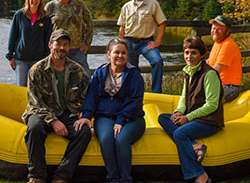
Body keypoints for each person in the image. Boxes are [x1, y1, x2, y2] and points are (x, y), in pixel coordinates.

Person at [22, 29, 91, 183]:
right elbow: (34, 102)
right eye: (58, 44)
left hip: (68, 114)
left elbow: (88, 96)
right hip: (41, 112)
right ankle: (36, 176)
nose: (61, 48)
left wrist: (85, 113)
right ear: (50, 45)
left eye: (65, 44)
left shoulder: (78, 71)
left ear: (69, 47)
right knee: (34, 128)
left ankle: (62, 176)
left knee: (84, 132)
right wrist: (53, 121)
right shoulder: (36, 70)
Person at [75, 38, 145, 183]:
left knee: (121, 139)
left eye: (124, 53)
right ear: (109, 54)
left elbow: (135, 101)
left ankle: (125, 178)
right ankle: (113, 178)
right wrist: (87, 115)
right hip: (104, 117)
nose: (120, 56)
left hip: (131, 118)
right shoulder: (100, 73)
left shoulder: (134, 74)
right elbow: (91, 96)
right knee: (106, 138)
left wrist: (121, 120)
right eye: (116, 52)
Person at [158, 36, 224, 183]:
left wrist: (188, 117)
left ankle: (200, 175)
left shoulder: (210, 74)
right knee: (163, 118)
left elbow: (212, 105)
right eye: (187, 52)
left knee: (180, 134)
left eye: (193, 53)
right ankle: (196, 145)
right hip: (193, 117)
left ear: (202, 55)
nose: (189, 56)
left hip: (209, 120)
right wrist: (178, 112)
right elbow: (183, 98)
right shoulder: (188, 71)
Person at [117, 0, 166, 93]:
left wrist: (157, 42)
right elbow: (122, 27)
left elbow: (162, 23)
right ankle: (135, 93)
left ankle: (156, 92)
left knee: (157, 61)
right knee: (132, 71)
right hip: (129, 42)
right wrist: (121, 44)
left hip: (146, 43)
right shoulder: (126, 7)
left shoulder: (153, 4)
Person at [45, 0, 93, 77]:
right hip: (57, 51)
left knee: (85, 76)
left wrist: (87, 43)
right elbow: (43, 29)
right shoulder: (50, 6)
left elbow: (89, 22)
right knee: (56, 78)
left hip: (76, 50)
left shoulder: (78, 3)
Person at [6, 0, 52, 87]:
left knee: (35, 88)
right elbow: (12, 36)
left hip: (38, 60)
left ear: (40, 1)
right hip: (20, 59)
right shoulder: (19, 15)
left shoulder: (46, 18)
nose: (35, 0)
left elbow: (47, 40)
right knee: (21, 88)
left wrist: (46, 59)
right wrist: (10, 56)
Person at [207, 15, 242, 102]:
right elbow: (208, 63)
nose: (215, 31)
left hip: (228, 87)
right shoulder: (218, 43)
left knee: (199, 100)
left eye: (219, 29)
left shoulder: (228, 45)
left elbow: (215, 71)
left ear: (228, 31)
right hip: (218, 84)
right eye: (214, 28)